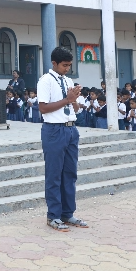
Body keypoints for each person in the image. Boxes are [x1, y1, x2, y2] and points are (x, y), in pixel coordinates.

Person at [36, 47, 88, 232]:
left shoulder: (68, 80)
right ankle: (54, 215)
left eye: (69, 65)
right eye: (64, 65)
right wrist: (67, 99)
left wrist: (74, 99)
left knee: (70, 173)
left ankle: (67, 213)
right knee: (54, 174)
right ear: (54, 63)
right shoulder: (46, 80)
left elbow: (75, 109)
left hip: (71, 129)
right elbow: (43, 108)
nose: (67, 68)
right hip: (54, 130)